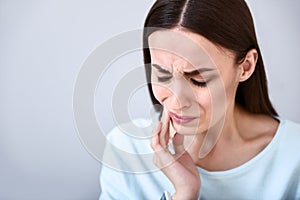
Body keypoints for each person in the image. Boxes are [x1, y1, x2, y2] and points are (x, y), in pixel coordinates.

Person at [99, 0, 300, 199]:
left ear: (245, 67)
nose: (177, 102)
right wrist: (185, 194)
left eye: (198, 80)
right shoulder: (125, 149)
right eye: (162, 75)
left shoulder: (294, 155)